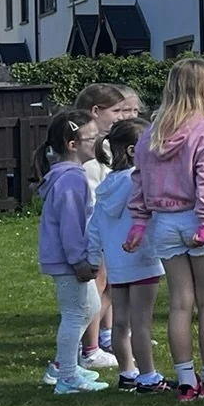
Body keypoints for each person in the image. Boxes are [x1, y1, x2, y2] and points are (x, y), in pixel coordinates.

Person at [124, 59, 204, 403]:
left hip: (164, 223)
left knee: (180, 304)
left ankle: (185, 380)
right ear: (203, 90)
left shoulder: (151, 133)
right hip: (201, 220)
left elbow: (139, 181)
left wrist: (139, 223)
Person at [86, 116, 165, 391]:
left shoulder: (105, 187)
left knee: (120, 322)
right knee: (141, 323)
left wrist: (94, 258)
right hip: (143, 260)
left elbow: (93, 228)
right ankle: (149, 376)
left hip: (117, 265)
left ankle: (127, 373)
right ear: (134, 150)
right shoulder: (139, 183)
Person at [37, 109, 108, 395]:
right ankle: (64, 375)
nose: (98, 143)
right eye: (92, 138)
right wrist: (79, 260)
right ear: (72, 144)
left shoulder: (70, 176)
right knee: (76, 313)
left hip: (70, 258)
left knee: (89, 307)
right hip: (68, 260)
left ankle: (69, 366)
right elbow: (70, 224)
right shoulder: (71, 180)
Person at [72, 81, 139, 369]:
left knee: (110, 284)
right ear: (96, 111)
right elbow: (91, 200)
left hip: (108, 229)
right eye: (118, 110)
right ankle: (88, 347)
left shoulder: (107, 146)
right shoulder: (89, 158)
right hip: (95, 230)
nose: (124, 116)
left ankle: (106, 336)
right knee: (96, 288)